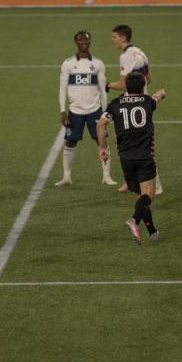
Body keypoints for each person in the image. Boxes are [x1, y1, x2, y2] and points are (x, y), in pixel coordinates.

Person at [97, 72, 166, 244]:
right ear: (143, 87)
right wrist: (161, 93)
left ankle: (152, 231)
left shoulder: (116, 103)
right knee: (148, 195)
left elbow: (101, 124)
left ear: (126, 86)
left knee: (139, 196)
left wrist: (103, 148)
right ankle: (134, 220)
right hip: (144, 156)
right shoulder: (147, 101)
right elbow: (156, 98)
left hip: (125, 158)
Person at [106, 24, 163, 195]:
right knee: (129, 143)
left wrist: (107, 84)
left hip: (131, 106)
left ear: (123, 38)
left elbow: (123, 84)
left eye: (114, 37)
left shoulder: (125, 57)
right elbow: (149, 79)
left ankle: (156, 185)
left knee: (134, 145)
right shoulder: (140, 52)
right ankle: (129, 181)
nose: (112, 40)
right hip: (143, 104)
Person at [55, 30, 116, 187]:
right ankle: (66, 176)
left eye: (86, 40)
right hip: (75, 111)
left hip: (94, 110)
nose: (84, 42)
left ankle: (106, 176)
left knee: (101, 141)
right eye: (81, 40)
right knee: (70, 142)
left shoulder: (98, 64)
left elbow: (103, 90)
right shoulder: (68, 64)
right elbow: (62, 89)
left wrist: (105, 112)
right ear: (76, 42)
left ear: (90, 42)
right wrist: (63, 111)